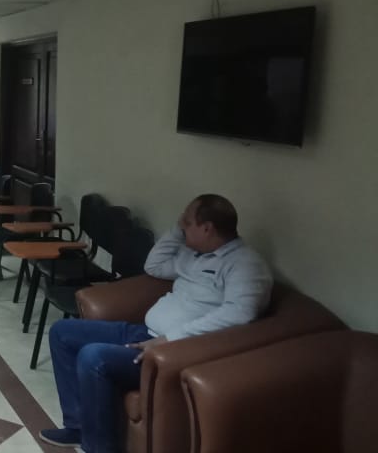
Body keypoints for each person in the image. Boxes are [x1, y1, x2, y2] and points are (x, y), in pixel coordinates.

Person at [39, 194, 273, 453]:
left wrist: (169, 340)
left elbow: (240, 314)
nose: (182, 225)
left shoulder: (245, 264)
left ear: (207, 228)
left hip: (173, 351)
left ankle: (99, 448)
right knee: (62, 332)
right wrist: (177, 230)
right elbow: (154, 266)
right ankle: (78, 427)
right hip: (144, 333)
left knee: (93, 356)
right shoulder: (194, 254)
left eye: (187, 222)